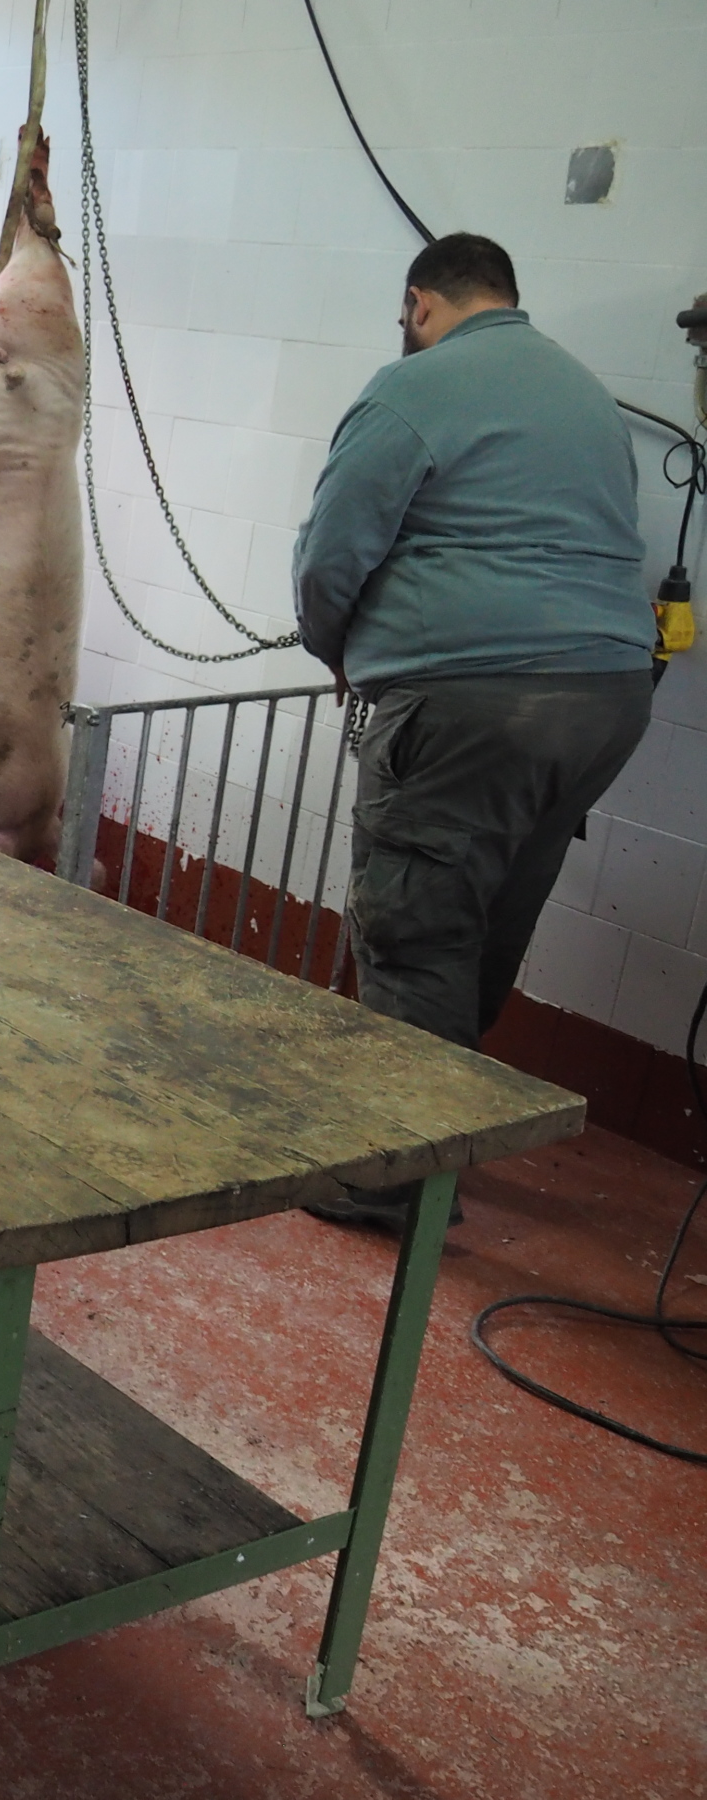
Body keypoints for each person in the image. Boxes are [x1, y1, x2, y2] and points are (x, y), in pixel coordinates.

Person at [292, 232, 656, 1232]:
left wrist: (335, 647)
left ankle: (394, 1178)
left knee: (415, 927)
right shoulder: (587, 395)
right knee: (490, 914)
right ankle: (442, 1130)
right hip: (607, 697)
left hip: (472, 698)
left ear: (421, 303)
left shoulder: (413, 389)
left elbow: (331, 552)